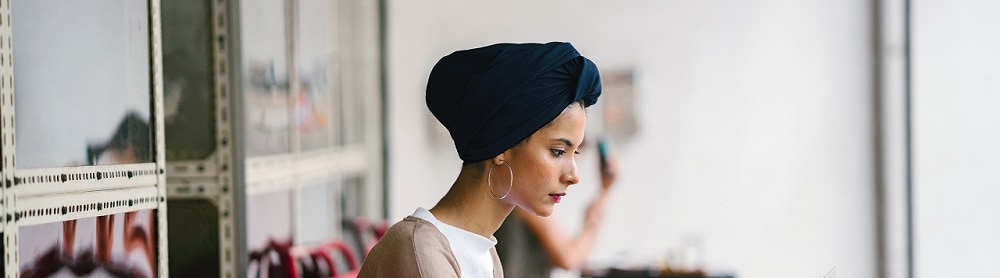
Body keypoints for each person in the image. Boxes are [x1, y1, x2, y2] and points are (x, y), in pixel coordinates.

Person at [358, 42, 602, 278]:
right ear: (503, 146)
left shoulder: (484, 254)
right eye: (558, 151)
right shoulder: (421, 251)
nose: (573, 175)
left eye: (575, 153)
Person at [494, 139, 618, 277]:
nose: (572, 176)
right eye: (558, 153)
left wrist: (604, 191)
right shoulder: (523, 200)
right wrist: (602, 197)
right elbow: (569, 258)